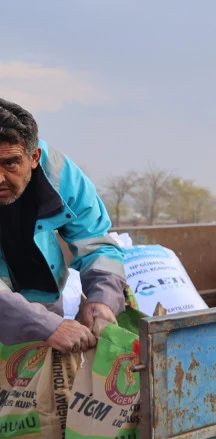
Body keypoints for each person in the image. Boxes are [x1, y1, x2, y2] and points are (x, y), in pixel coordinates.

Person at [0, 99, 126, 351]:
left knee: (41, 377)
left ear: (34, 157)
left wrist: (102, 299)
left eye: (10, 163)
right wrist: (46, 325)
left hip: (39, 289)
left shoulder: (61, 176)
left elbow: (97, 243)